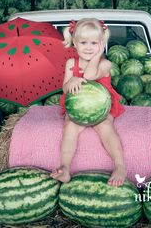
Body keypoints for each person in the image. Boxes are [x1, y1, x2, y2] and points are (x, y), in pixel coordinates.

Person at [50, 18, 126, 187]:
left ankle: (120, 165)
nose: (89, 47)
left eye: (94, 43)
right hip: (78, 108)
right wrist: (72, 82)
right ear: (74, 43)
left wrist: (97, 56)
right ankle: (65, 167)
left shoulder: (105, 63)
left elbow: (91, 76)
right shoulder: (71, 63)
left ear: (101, 44)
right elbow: (65, 88)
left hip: (102, 108)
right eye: (83, 42)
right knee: (69, 127)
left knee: (105, 126)